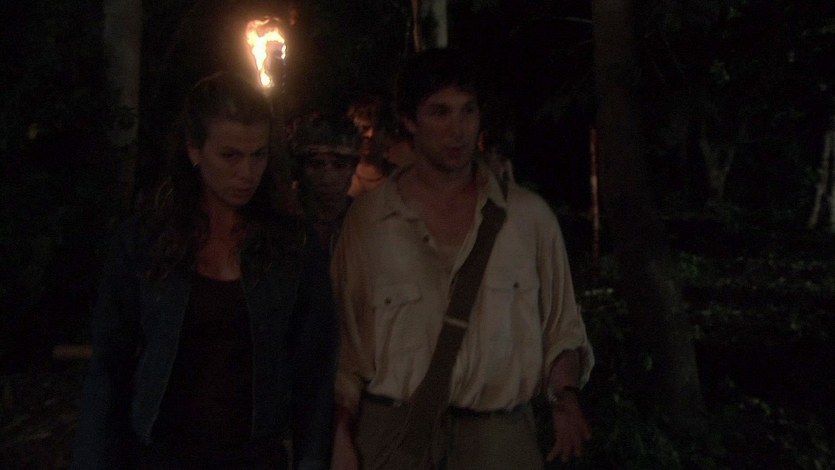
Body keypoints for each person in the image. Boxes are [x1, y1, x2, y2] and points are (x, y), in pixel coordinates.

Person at [330, 48, 594, 470]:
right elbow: (345, 346)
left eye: (468, 111)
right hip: (396, 434)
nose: (457, 130)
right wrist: (340, 433)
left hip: (498, 437)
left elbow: (562, 329)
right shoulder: (370, 221)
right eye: (440, 112)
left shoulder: (528, 219)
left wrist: (566, 398)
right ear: (410, 121)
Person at [72, 71, 337, 470]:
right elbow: (110, 365)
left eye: (258, 155)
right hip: (160, 453)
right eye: (230, 156)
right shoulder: (146, 240)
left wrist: (311, 458)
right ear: (195, 150)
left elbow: (314, 371)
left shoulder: (292, 247)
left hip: (254, 456)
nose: (247, 173)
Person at [290, 113, 361, 255]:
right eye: (316, 165)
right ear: (300, 168)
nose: (327, 179)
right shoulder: (280, 221)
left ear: (353, 168)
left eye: (339, 165)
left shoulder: (363, 220)